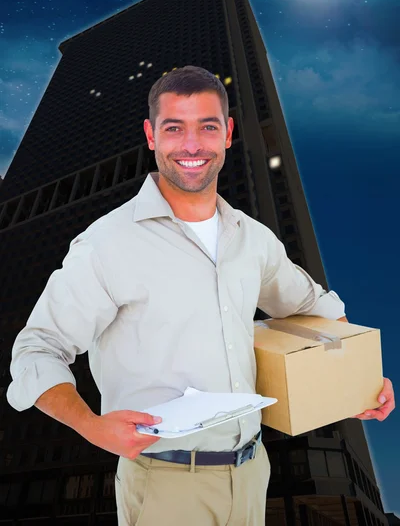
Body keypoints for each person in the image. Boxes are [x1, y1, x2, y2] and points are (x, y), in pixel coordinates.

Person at [7, 65, 395, 526]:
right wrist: (91, 427)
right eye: (175, 128)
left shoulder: (253, 239)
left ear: (227, 134)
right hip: (164, 484)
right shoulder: (107, 243)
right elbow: (36, 349)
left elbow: (313, 309)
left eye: (207, 127)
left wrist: (358, 378)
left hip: (253, 474)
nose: (192, 145)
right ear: (151, 136)